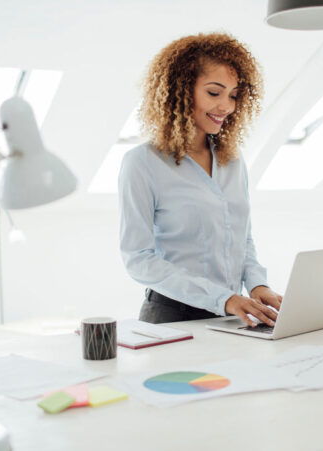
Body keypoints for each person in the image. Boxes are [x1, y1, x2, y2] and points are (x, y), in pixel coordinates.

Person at [118, 32, 282, 327]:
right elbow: (138, 258)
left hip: (232, 314)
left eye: (233, 95)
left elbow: (242, 238)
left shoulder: (232, 160)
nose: (227, 107)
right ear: (180, 90)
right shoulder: (142, 163)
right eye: (214, 92)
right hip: (171, 318)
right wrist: (222, 298)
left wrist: (258, 285)